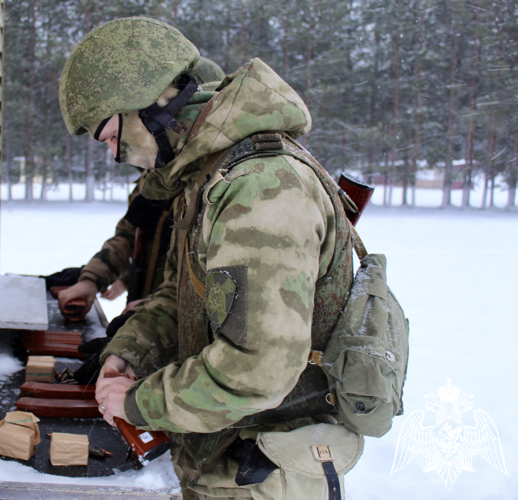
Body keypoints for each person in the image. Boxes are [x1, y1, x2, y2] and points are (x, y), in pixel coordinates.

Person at [59, 17, 363, 499]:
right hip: (223, 459)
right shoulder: (209, 180)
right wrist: (129, 352)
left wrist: (140, 402)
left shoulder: (259, 188)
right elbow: (182, 298)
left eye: (111, 136)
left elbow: (257, 369)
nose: (115, 154)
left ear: (151, 105)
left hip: (264, 474)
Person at [57, 57, 226, 313]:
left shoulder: (220, 185)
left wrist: (157, 310)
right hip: (150, 321)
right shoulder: (152, 179)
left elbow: (221, 291)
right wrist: (92, 279)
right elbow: (128, 235)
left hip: (176, 326)